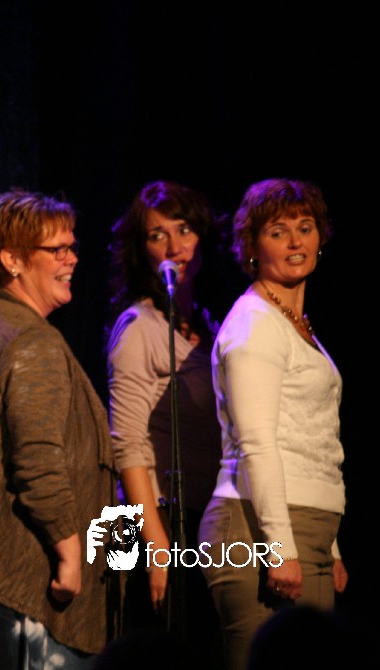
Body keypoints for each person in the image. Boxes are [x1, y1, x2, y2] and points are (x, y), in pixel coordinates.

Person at [0, 189, 115, 668]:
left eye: (72, 247)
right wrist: (70, 553)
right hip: (29, 583)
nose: (71, 259)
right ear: (12, 259)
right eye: (56, 250)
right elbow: (38, 461)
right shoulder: (31, 340)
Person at [198, 179, 347, 670]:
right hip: (255, 529)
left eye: (305, 227)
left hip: (308, 527)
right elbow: (259, 443)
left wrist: (330, 546)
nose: (295, 241)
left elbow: (311, 437)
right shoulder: (255, 324)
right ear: (252, 247)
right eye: (278, 231)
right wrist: (280, 547)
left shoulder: (295, 325)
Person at [105, 181, 223, 643]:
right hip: (153, 521)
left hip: (202, 518)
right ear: (142, 250)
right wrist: (157, 548)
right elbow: (127, 445)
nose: (175, 247)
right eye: (158, 235)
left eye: (184, 230)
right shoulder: (139, 326)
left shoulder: (210, 328)